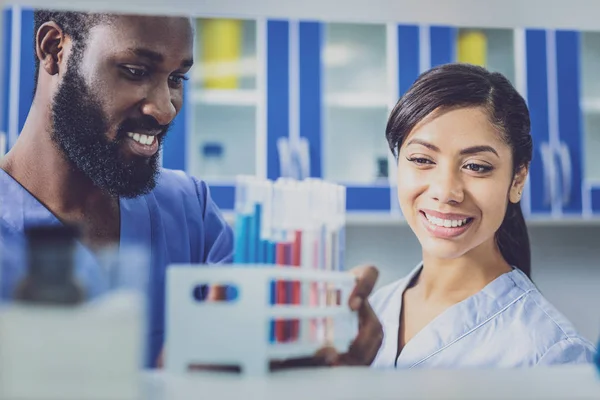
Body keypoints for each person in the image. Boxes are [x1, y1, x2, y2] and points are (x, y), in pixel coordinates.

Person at [0, 10, 383, 368]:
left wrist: (315, 345)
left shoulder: (188, 209)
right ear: (54, 49)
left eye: (176, 78)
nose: (166, 109)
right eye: (135, 71)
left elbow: (255, 340)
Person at [369, 63, 597, 369]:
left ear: (517, 180)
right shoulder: (370, 314)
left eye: (476, 166)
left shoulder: (551, 353)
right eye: (422, 159)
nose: (446, 191)